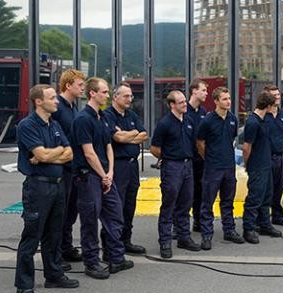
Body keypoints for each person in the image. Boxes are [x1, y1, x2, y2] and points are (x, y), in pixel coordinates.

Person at [14, 84, 79, 293]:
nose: (57, 101)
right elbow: (40, 154)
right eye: (52, 98)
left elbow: (69, 153)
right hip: (38, 187)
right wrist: (48, 153)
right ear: (38, 101)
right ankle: (24, 287)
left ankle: (53, 275)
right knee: (32, 236)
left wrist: (48, 154)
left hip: (58, 184)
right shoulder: (27, 125)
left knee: (54, 233)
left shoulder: (55, 125)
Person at [71, 77, 133, 279]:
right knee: (90, 220)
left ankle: (116, 257)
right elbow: (88, 153)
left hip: (106, 175)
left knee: (115, 215)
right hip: (89, 177)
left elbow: (108, 146)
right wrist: (103, 175)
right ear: (92, 93)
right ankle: (91, 262)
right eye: (104, 92)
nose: (107, 95)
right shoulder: (83, 119)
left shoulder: (103, 117)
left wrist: (110, 172)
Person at [150, 90, 202, 258]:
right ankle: (165, 241)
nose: (185, 104)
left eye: (185, 101)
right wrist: (168, 158)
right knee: (169, 205)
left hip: (188, 166)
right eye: (180, 102)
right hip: (172, 167)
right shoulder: (165, 124)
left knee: (186, 204)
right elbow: (154, 148)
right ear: (172, 105)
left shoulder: (188, 120)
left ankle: (184, 237)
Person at [196, 87, 246, 250]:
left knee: (228, 201)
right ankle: (207, 234)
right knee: (207, 202)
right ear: (216, 101)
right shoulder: (208, 121)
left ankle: (229, 230)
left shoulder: (232, 119)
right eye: (224, 99)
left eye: (229, 98)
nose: (228, 101)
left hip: (229, 167)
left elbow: (231, 138)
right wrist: (209, 158)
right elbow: (200, 143)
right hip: (213, 167)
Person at [102, 82, 148, 255]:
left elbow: (144, 134)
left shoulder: (131, 114)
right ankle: (110, 245)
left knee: (130, 204)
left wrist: (127, 134)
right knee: (115, 207)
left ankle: (125, 240)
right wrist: (132, 133)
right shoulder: (108, 115)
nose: (130, 99)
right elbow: (117, 138)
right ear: (115, 97)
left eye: (131, 96)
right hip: (118, 165)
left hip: (132, 165)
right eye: (126, 96)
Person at [52, 69, 86, 266]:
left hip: (73, 168)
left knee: (71, 211)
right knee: (60, 213)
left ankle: (66, 247)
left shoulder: (73, 108)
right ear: (68, 86)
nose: (83, 88)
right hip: (61, 168)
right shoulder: (56, 108)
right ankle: (55, 253)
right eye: (80, 85)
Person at [242, 91, 283, 243]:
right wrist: (248, 163)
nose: (274, 109)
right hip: (257, 166)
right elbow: (247, 147)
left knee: (267, 195)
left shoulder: (264, 120)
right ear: (267, 106)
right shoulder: (253, 122)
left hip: (266, 164)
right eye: (273, 106)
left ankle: (265, 224)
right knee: (255, 197)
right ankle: (249, 228)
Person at [264, 85, 283, 226]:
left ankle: (277, 215)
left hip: (280, 157)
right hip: (265, 158)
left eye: (278, 95)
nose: (276, 97)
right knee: (265, 189)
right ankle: (261, 219)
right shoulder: (262, 115)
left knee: (279, 186)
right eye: (273, 95)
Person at [186, 78, 208, 233]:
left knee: (200, 190)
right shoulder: (183, 110)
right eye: (203, 90)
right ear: (194, 91)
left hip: (200, 158)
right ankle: (178, 226)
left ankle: (198, 221)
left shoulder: (203, 112)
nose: (206, 93)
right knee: (184, 193)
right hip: (186, 159)